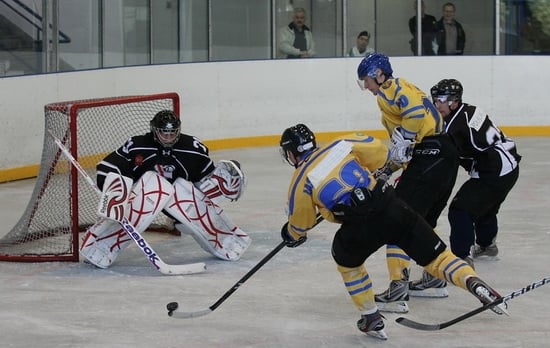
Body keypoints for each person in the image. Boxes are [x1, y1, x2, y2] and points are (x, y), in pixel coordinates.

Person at [278, 123, 506, 340]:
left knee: (347, 262)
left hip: (360, 228)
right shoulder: (341, 144)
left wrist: (291, 234)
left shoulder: (299, 182)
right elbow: (380, 153)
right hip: (391, 206)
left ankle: (371, 317)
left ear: (291, 153)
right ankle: (472, 281)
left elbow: (301, 225)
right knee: (438, 257)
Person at [79, 110, 251, 268]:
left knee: (182, 193)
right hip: (141, 197)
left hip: (176, 200)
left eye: (172, 133)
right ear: (155, 131)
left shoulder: (193, 149)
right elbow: (108, 167)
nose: (168, 137)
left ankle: (225, 239)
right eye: (164, 133)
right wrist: (115, 195)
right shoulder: (137, 145)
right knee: (154, 185)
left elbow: (205, 183)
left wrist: (225, 184)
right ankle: (99, 245)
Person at [356, 53, 459, 313]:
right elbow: (404, 148)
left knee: (395, 219)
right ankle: (435, 278)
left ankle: (397, 289)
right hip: (444, 155)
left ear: (380, 75)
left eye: (367, 80)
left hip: (429, 154)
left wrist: (407, 138)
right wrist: (389, 168)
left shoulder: (392, 89)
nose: (366, 86)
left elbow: (413, 116)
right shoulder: (397, 91)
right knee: (422, 222)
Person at [430, 79, 521, 264]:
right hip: (509, 166)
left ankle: (462, 258)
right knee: (486, 207)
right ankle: (487, 246)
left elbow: (450, 157)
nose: (437, 105)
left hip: (494, 171)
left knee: (459, 210)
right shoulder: (469, 110)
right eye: (436, 100)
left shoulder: (454, 127)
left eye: (442, 100)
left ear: (454, 101)